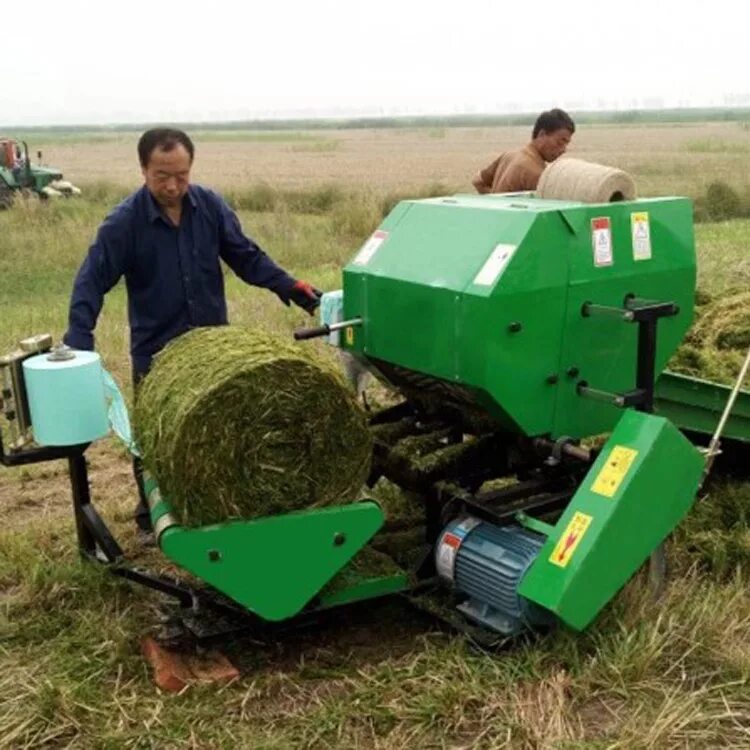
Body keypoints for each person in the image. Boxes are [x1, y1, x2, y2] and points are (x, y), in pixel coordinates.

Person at [63, 127, 322, 532]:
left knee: (219, 425)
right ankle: (152, 514)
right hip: (157, 351)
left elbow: (247, 257)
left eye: (181, 175)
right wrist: (79, 340)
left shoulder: (210, 207)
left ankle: (215, 503)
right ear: (143, 169)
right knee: (154, 434)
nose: (172, 185)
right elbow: (91, 280)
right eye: (161, 176)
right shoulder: (125, 223)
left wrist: (289, 285)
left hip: (210, 348)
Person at [472, 108, 575, 195]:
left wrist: (495, 201)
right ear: (542, 134)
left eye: (566, 144)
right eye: (560, 142)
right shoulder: (537, 175)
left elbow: (477, 181)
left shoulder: (509, 155)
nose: (563, 150)